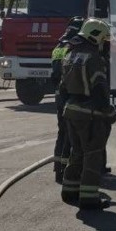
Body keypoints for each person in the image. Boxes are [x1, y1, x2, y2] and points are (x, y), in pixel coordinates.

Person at [59, 18, 116, 210]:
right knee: (93, 154)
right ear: (96, 37)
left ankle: (69, 190)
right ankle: (89, 197)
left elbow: (62, 87)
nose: (105, 44)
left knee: (76, 153)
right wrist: (107, 112)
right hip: (89, 114)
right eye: (103, 39)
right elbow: (100, 89)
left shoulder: (70, 54)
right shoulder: (94, 58)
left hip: (70, 110)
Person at [50, 17, 84, 183]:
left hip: (58, 94)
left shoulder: (58, 46)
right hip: (70, 94)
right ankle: (68, 168)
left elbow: (55, 72)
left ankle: (58, 168)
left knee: (61, 132)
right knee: (72, 134)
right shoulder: (73, 47)